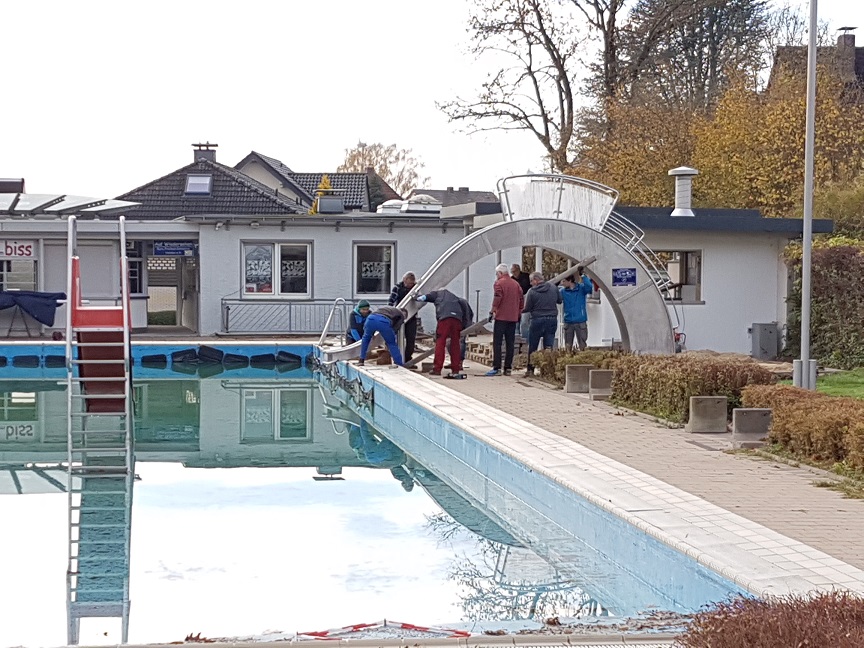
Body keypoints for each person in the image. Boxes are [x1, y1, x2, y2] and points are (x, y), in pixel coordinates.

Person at [416, 288, 465, 377]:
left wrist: (416, 297)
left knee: (440, 343)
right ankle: (455, 369)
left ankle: (437, 369)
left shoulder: (437, 293)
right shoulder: (454, 297)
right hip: (457, 319)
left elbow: (425, 298)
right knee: (455, 344)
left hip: (444, 319)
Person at [486, 264, 524, 376]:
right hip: (513, 318)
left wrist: (492, 311)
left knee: (497, 343)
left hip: (501, 317)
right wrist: (518, 312)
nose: (496, 276)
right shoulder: (516, 284)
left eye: (497, 274)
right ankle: (508, 368)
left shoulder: (499, 283)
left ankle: (497, 367)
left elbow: (498, 297)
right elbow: (521, 300)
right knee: (510, 343)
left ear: (500, 273)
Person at [523, 271, 562, 376]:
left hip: (537, 320)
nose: (530, 283)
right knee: (549, 346)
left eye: (531, 281)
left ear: (535, 280)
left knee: (533, 346)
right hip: (552, 319)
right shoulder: (553, 287)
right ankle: (547, 371)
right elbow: (559, 300)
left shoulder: (531, 291)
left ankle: (530, 370)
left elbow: (527, 308)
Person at [559, 269, 594, 352]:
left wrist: (583, 276)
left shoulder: (581, 288)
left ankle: (583, 360)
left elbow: (589, 287)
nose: (562, 283)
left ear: (569, 281)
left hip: (580, 320)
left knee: (582, 344)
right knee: (568, 345)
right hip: (568, 321)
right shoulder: (562, 291)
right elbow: (556, 298)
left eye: (564, 281)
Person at [388, 272, 418, 361]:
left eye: (412, 284)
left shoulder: (415, 288)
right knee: (397, 338)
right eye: (409, 283)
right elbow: (391, 301)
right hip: (398, 316)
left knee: (411, 338)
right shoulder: (397, 288)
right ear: (404, 280)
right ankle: (397, 357)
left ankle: (407, 358)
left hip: (412, 316)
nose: (410, 285)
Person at [511, 264, 531, 338]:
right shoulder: (512, 279)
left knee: (524, 322)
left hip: (526, 299)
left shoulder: (526, 276)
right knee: (516, 321)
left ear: (519, 270)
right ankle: (516, 339)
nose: (514, 273)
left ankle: (525, 339)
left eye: (515, 271)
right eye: (512, 272)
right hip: (516, 301)